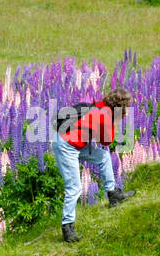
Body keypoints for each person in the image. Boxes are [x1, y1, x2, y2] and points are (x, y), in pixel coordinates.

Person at [52, 87, 136, 243]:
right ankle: (67, 227)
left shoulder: (100, 105)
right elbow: (106, 141)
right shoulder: (105, 116)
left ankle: (113, 195)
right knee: (74, 187)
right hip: (66, 145)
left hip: (74, 141)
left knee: (103, 156)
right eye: (127, 108)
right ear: (120, 108)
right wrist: (115, 121)